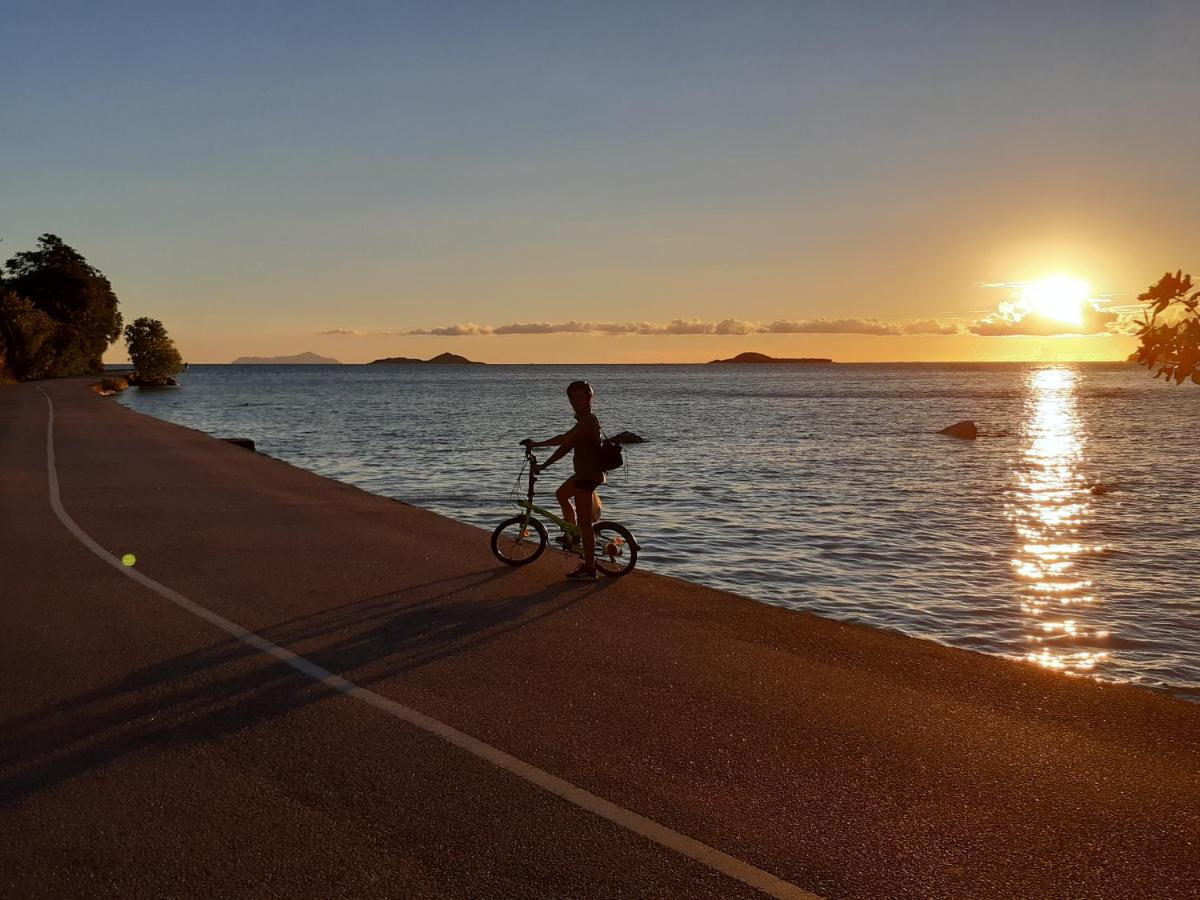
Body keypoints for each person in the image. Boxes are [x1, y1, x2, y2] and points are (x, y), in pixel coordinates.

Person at [521, 380, 604, 581]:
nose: (575, 401)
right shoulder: (581, 421)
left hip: (588, 476)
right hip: (582, 474)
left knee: (586, 524)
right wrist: (543, 466)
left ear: (589, 398)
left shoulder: (588, 421)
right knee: (561, 494)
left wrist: (537, 444)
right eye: (572, 397)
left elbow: (563, 439)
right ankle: (573, 534)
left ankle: (590, 569)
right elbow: (565, 448)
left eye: (580, 397)